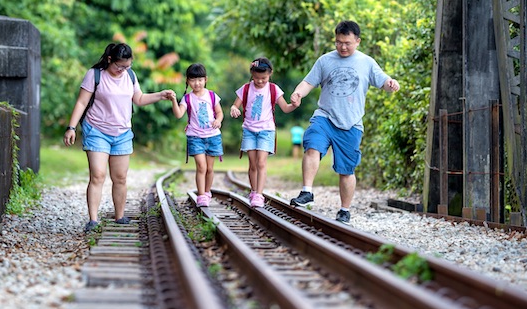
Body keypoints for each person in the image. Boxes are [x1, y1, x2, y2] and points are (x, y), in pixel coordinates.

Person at [289, 21, 400, 223]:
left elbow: (383, 80)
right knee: (312, 146)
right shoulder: (325, 61)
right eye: (339, 42)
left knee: (346, 170)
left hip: (351, 123)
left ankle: (344, 210)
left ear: (357, 41)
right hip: (325, 116)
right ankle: (307, 191)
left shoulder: (366, 62)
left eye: (347, 43)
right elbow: (308, 82)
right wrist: (298, 94)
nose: (342, 47)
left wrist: (390, 84)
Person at [64, 43, 175, 232]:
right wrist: (71, 127)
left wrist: (160, 95)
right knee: (98, 175)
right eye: (119, 66)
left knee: (120, 177)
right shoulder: (95, 75)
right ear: (110, 60)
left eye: (127, 66)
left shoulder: (130, 76)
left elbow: (139, 99)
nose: (123, 70)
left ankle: (120, 216)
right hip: (97, 130)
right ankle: (93, 220)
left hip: (122, 133)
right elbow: (82, 102)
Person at [230, 58, 298, 207]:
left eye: (263, 78)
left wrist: (294, 105)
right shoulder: (246, 88)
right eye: (256, 78)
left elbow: (285, 108)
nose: (260, 81)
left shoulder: (274, 89)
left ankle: (259, 195)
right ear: (251, 74)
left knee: (261, 162)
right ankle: (254, 191)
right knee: (252, 164)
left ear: (270, 74)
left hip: (266, 130)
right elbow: (236, 105)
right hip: (249, 130)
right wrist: (234, 108)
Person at [170, 63, 224, 207]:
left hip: (213, 136)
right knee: (201, 166)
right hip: (195, 137)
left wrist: (218, 121)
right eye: (193, 80)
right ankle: (201, 195)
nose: (197, 83)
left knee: (210, 168)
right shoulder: (187, 98)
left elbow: (219, 113)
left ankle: (207, 192)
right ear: (187, 81)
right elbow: (178, 114)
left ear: (206, 79)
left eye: (200, 80)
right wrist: (173, 100)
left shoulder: (212, 95)